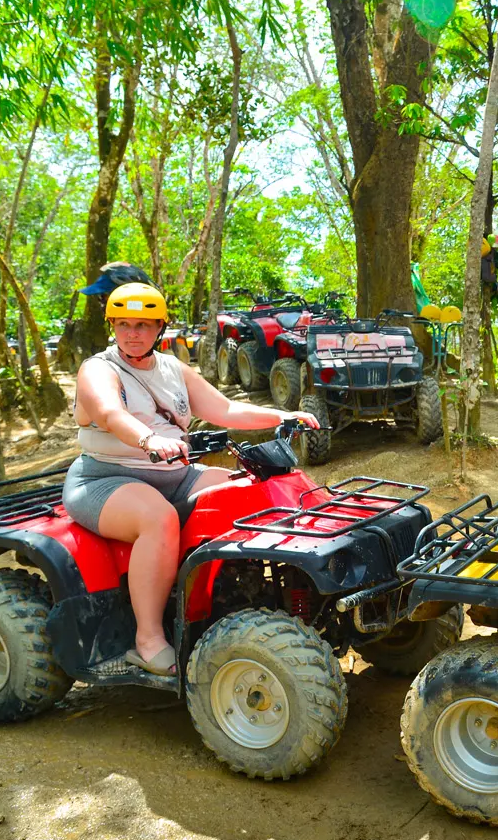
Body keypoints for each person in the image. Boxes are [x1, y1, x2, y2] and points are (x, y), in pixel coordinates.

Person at [65, 270, 318, 675]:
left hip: (173, 474)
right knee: (158, 518)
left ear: (159, 327)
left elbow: (226, 410)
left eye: (143, 325)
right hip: (105, 479)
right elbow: (110, 414)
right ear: (112, 325)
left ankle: (241, 598)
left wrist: (284, 414)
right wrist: (151, 441)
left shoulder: (172, 369)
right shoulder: (98, 369)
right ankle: (148, 640)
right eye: (124, 324)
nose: (133, 333)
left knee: (251, 491)